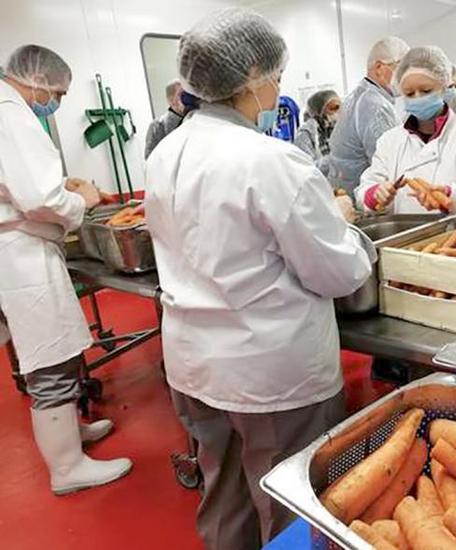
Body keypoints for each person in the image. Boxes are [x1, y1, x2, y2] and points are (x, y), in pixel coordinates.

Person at [144, 9, 374, 549]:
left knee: (224, 497)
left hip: (194, 365)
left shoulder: (165, 153)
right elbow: (337, 272)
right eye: (276, 75)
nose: (278, 87)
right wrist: (348, 228)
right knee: (288, 505)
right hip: (270, 375)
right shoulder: (272, 161)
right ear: (251, 75)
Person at [0, 45, 132, 494]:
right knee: (49, 359)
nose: (54, 103)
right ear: (37, 81)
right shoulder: (11, 113)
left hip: (19, 246)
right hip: (20, 254)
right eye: (56, 93)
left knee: (52, 354)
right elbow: (38, 197)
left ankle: (70, 437)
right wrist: (82, 200)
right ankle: (67, 467)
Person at [355, 46, 456, 220]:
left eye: (426, 91)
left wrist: (450, 197)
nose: (418, 98)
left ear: (444, 87)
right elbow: (365, 191)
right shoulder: (390, 141)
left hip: (454, 240)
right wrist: (375, 194)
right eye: (409, 93)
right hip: (404, 241)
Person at [327, 36, 409, 196]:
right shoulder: (375, 105)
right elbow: (391, 164)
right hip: (363, 199)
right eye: (402, 68)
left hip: (347, 193)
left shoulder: (359, 96)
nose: (406, 76)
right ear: (379, 67)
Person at [293, 89, 340, 175]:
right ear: (319, 110)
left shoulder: (336, 127)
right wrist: (333, 160)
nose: (338, 112)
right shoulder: (305, 134)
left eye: (340, 107)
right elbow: (305, 169)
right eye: (334, 108)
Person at [144, 79, 185, 159]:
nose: (186, 99)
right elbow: (150, 159)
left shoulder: (193, 119)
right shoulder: (158, 126)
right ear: (171, 100)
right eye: (181, 95)